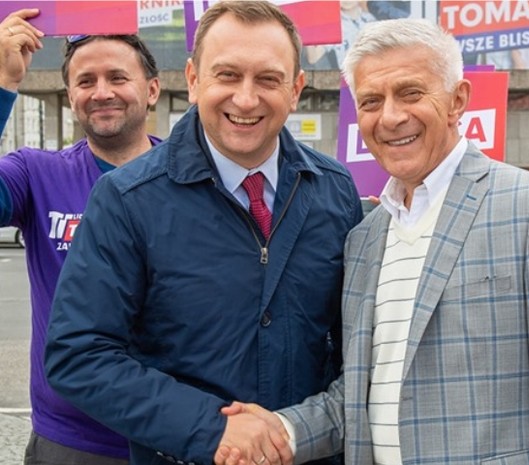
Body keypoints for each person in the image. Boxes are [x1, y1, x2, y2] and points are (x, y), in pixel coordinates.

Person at [218, 18, 529, 465]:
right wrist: (282, 431)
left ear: (457, 100)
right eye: (371, 101)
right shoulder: (365, 238)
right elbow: (362, 395)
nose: (390, 117)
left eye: (410, 93)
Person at [45, 2, 362, 465]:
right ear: (194, 80)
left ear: (295, 89)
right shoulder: (127, 199)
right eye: (227, 75)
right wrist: (213, 429)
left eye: (268, 79)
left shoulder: (335, 190)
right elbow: (78, 355)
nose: (246, 99)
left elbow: (355, 345)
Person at [0, 8, 162, 465]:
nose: (102, 92)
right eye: (86, 81)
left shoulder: (192, 178)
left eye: (117, 77)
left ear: (152, 90)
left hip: (172, 435)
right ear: (71, 95)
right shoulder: (37, 174)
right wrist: (3, 83)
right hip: (69, 443)